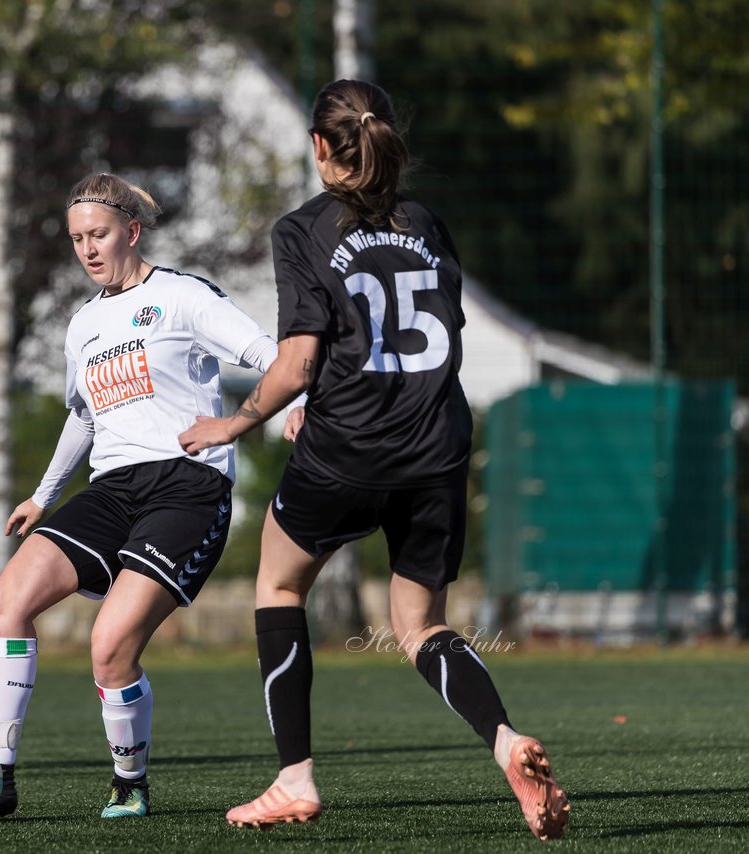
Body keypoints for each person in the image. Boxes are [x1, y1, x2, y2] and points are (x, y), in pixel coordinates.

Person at [178, 79, 570, 840]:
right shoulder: (427, 222)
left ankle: (294, 780)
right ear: (388, 139)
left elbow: (296, 362)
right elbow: (418, 337)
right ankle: (504, 741)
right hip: (437, 450)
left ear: (320, 147)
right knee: (421, 626)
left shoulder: (303, 229)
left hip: (347, 450)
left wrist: (237, 421)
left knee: (279, 586)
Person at [0, 171, 293, 820]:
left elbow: (270, 354)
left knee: (109, 644)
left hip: (187, 486)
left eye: (99, 235)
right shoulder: (82, 325)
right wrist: (43, 494)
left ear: (132, 231)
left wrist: (299, 406)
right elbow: (82, 416)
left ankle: (130, 781)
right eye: (76, 239)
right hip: (111, 488)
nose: (88, 249)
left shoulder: (183, 297)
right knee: (6, 602)